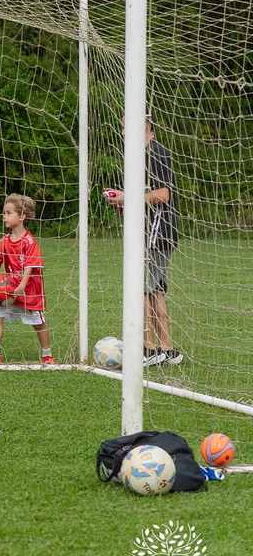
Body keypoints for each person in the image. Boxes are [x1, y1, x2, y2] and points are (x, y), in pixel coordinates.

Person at [104, 111, 181, 366]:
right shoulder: (141, 154)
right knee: (156, 290)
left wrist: (128, 198)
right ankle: (167, 350)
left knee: (143, 288)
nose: (123, 133)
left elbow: (163, 194)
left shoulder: (155, 152)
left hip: (157, 232)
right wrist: (121, 197)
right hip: (154, 232)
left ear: (144, 126)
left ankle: (148, 349)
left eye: (126, 127)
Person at [0, 193, 54, 365]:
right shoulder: (4, 241)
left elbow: (29, 267)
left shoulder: (29, 242)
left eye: (9, 213)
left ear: (22, 216)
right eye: (4, 213)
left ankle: (47, 356)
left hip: (29, 292)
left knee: (38, 324)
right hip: (9, 290)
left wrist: (22, 286)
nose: (4, 216)